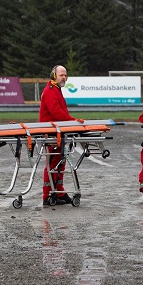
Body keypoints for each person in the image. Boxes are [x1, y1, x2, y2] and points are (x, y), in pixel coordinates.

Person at [39, 65, 84, 205]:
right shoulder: (51, 91)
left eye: (65, 75)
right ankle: (48, 195)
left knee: (60, 163)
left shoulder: (56, 90)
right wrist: (72, 121)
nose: (64, 77)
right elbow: (56, 112)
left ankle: (58, 191)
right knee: (52, 163)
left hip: (58, 132)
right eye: (61, 75)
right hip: (52, 133)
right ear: (54, 76)